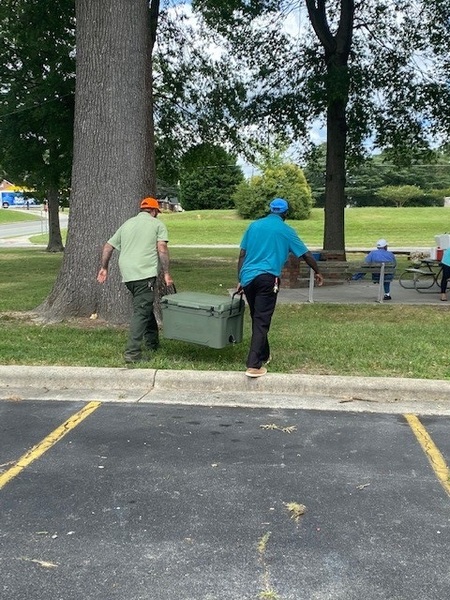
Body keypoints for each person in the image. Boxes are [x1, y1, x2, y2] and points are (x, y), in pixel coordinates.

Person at [237, 198, 324, 378]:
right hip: (268, 278)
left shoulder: (254, 226)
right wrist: (317, 271)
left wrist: (240, 279)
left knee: (257, 316)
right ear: (285, 213)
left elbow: (242, 254)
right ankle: (253, 365)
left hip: (248, 278)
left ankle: (264, 354)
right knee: (262, 320)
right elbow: (306, 255)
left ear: (270, 210)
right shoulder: (286, 230)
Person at [97, 197, 173, 363]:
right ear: (153, 211)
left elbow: (108, 246)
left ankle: (153, 343)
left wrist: (104, 267)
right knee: (141, 312)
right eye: (157, 212)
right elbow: (162, 248)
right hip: (143, 274)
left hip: (128, 275)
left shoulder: (127, 224)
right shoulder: (157, 224)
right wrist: (166, 273)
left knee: (145, 305)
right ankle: (132, 354)